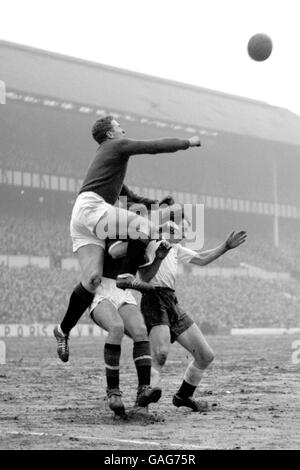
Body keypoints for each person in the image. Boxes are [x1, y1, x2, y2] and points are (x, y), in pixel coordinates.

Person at [54, 115, 201, 362]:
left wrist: (155, 203)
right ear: (110, 134)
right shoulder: (117, 146)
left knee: (91, 280)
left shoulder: (109, 167)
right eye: (119, 127)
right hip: (92, 209)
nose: (123, 129)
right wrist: (187, 142)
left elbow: (131, 198)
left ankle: (62, 330)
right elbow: (153, 147)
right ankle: (127, 276)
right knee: (143, 227)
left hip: (83, 216)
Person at [139, 221, 247, 411]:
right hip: (153, 298)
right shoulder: (147, 244)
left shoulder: (174, 248)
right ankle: (141, 403)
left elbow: (201, 258)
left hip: (171, 301)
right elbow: (145, 278)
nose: (181, 234)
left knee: (205, 356)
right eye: (177, 230)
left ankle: (183, 396)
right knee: (160, 354)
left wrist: (225, 247)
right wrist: (158, 257)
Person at [87, 240, 172, 416]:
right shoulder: (115, 229)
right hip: (101, 289)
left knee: (141, 331)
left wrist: (157, 259)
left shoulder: (140, 239)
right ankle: (113, 393)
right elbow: (115, 252)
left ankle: (143, 390)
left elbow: (145, 275)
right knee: (116, 327)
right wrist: (143, 240)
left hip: (123, 293)